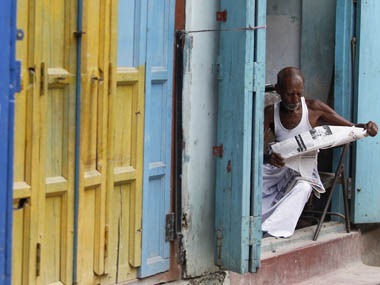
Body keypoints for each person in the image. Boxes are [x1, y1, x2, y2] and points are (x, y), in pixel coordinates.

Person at [262, 66, 378, 238]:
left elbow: (351, 127)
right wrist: (267, 157)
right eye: (289, 94)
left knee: (304, 187)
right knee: (251, 177)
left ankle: (271, 230)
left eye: (298, 94)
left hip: (304, 171)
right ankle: (255, 222)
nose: (294, 99)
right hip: (278, 168)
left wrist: (368, 128)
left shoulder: (314, 108)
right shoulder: (271, 112)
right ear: (278, 90)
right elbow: (252, 146)